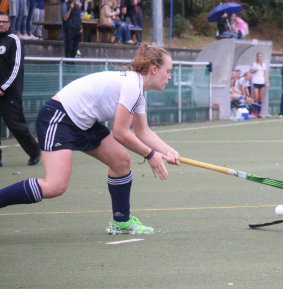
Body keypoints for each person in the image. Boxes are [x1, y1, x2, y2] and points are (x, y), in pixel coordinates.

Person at [0, 44, 180, 235]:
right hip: (59, 118)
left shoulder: (139, 91)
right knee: (55, 186)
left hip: (83, 123)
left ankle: (121, 221)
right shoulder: (133, 86)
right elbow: (120, 133)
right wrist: (151, 154)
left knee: (121, 161)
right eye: (168, 71)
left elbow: (143, 132)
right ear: (154, 70)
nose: (169, 76)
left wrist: (168, 151)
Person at [0, 12, 41, 167]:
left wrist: (3, 87)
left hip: (9, 92)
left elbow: (16, 67)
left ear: (10, 24)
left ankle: (34, 151)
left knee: (16, 125)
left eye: (4, 21)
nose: (1, 24)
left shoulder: (15, 41)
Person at [250, 52, 269, 118]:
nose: (259, 58)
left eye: (260, 56)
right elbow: (251, 71)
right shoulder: (254, 64)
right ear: (256, 57)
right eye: (258, 56)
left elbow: (265, 74)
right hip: (255, 82)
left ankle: (259, 113)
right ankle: (255, 112)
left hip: (262, 82)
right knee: (256, 98)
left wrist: (267, 82)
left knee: (260, 98)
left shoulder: (264, 65)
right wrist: (255, 69)